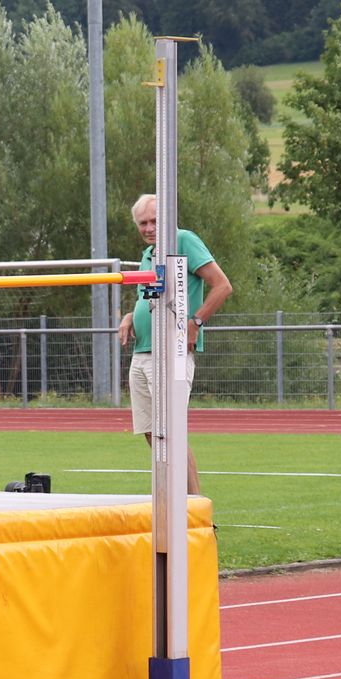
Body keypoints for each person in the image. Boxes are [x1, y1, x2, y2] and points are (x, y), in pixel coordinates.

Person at [116, 193, 232, 493]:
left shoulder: (183, 240)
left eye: (155, 221)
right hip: (142, 353)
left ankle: (195, 511)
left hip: (171, 352)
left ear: (166, 219)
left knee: (172, 433)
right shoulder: (149, 254)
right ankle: (173, 500)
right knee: (151, 432)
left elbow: (223, 286)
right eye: (143, 223)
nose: (149, 227)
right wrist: (130, 315)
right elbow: (148, 299)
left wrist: (196, 322)